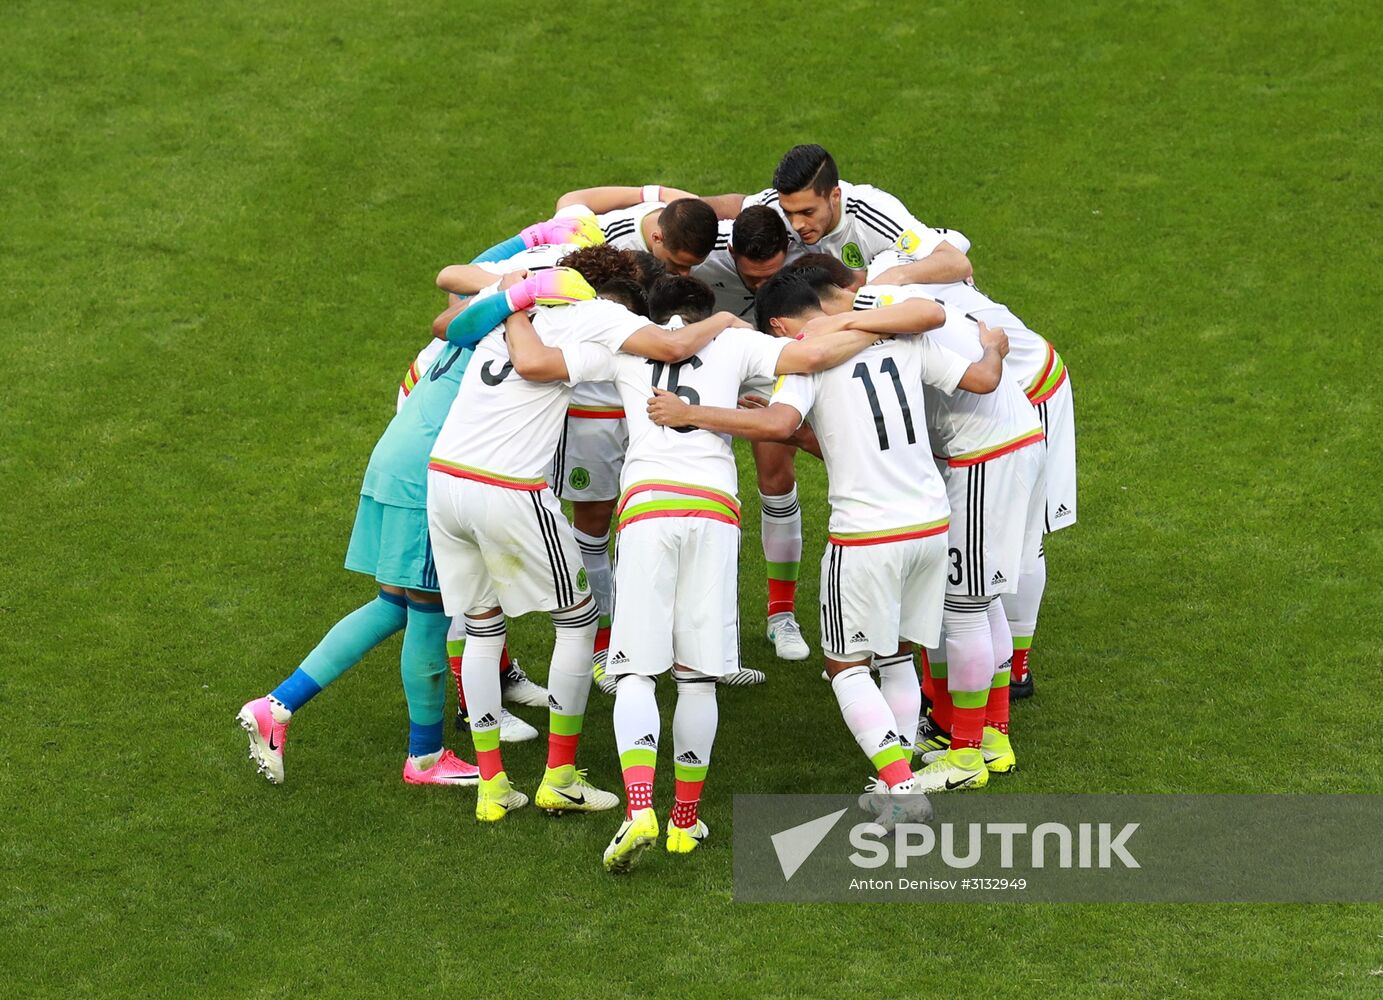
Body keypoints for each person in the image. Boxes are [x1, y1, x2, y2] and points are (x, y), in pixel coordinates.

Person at [649, 272, 1005, 822]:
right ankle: (896, 786)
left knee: (846, 667)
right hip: (931, 525)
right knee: (896, 656)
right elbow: (982, 381)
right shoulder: (900, 335)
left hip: (865, 535)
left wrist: (691, 413)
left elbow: (776, 420)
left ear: (778, 325)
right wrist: (992, 347)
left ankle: (902, 786)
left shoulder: (802, 356)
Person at [426, 251, 754, 822]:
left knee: (481, 621)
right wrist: (724, 319)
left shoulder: (514, 302)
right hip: (507, 484)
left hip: (445, 479)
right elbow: (673, 348)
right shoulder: (597, 316)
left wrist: (509, 296)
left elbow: (445, 324)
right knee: (578, 619)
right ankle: (559, 775)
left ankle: (491, 783)